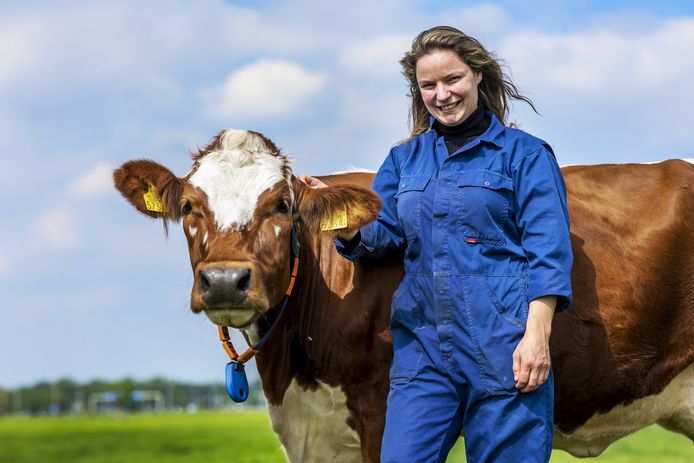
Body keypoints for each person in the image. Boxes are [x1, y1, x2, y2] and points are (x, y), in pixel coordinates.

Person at [305, 25, 572, 463]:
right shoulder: (404, 159)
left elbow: (549, 251)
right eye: (429, 85)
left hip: (504, 347)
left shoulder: (524, 156)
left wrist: (536, 336)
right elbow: (382, 232)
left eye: (453, 80)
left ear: (478, 76)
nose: (442, 94)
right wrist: (343, 219)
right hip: (423, 353)